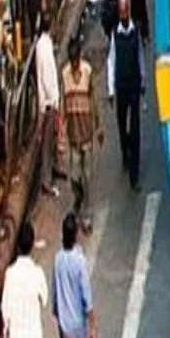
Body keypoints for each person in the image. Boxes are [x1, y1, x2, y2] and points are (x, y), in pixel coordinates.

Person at [61, 36, 105, 228]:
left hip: (86, 132)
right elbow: (63, 103)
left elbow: (93, 100)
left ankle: (87, 212)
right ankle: (78, 198)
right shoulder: (64, 75)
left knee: (86, 175)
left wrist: (99, 126)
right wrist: (61, 132)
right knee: (74, 175)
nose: (74, 64)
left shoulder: (87, 72)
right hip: (72, 134)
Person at [107, 0, 146, 191]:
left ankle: (134, 175)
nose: (123, 15)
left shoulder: (135, 31)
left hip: (133, 85)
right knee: (122, 125)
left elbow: (140, 55)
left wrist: (143, 81)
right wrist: (111, 90)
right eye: (120, 12)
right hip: (121, 87)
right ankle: (125, 152)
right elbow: (111, 62)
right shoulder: (115, 34)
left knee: (136, 128)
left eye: (125, 11)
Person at [35, 24, 63, 198]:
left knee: (51, 140)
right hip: (48, 103)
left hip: (47, 102)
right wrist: (54, 102)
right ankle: (46, 182)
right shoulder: (44, 48)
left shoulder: (43, 45)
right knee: (46, 144)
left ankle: (53, 170)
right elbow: (47, 79)